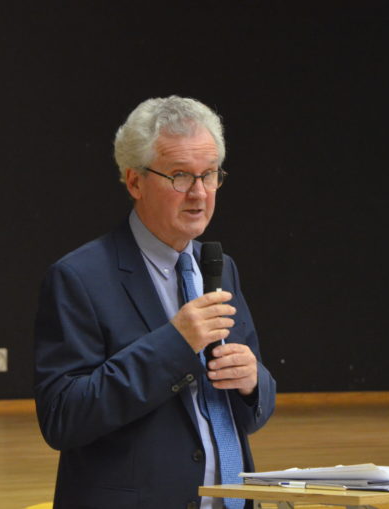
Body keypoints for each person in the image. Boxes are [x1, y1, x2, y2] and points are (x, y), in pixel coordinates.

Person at [34, 95, 276, 509]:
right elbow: (63, 417)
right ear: (135, 182)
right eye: (180, 176)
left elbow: (251, 409)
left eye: (209, 175)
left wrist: (252, 384)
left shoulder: (221, 269)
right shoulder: (79, 277)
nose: (199, 193)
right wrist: (175, 344)